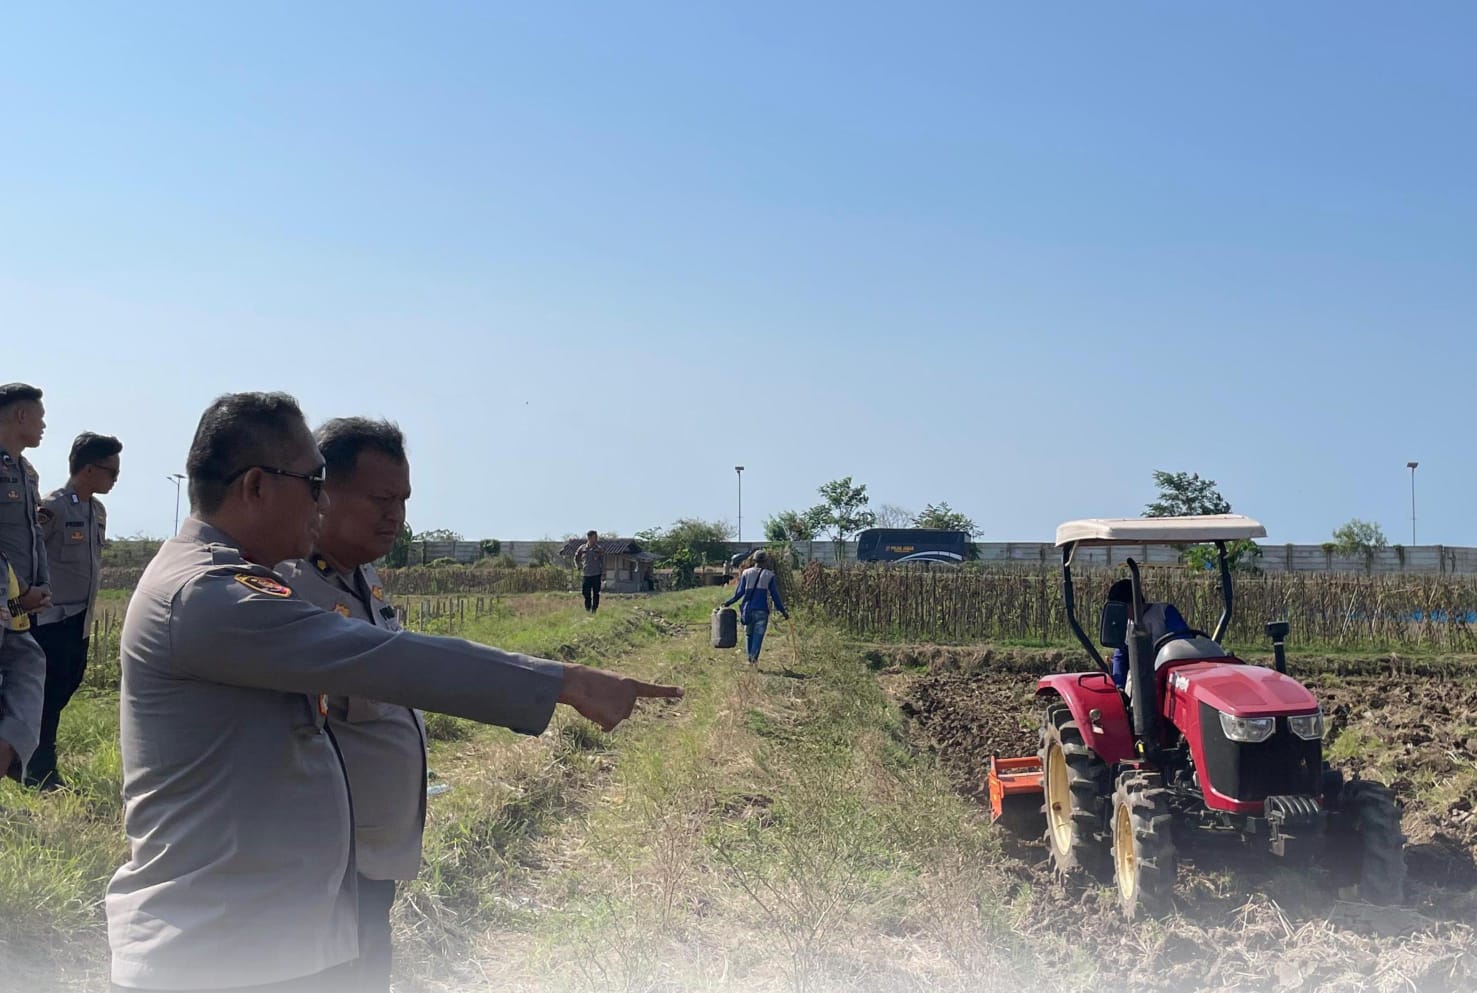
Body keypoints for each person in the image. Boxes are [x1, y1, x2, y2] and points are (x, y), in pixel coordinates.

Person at [106, 392, 682, 993]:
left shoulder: (235, 579)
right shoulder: (206, 594)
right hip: (216, 950)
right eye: (313, 482)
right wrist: (567, 681)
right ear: (255, 486)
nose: (321, 500)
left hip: (266, 933)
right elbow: (385, 660)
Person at [275, 417, 420, 993]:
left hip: (375, 844)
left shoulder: (362, 576)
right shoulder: (289, 587)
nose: (396, 515)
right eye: (381, 499)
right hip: (327, 852)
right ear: (322, 492)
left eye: (403, 500)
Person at [27, 431, 122, 790]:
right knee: (47, 696)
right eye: (110, 472)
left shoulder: (96, 511)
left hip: (80, 622)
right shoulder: (52, 507)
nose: (115, 479)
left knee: (65, 689)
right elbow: (31, 555)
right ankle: (40, 770)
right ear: (87, 469)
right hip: (51, 620)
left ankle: (35, 763)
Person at [0, 383, 51, 781]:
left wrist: (39, 587)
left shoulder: (26, 471)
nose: (44, 424)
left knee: (28, 667)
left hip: (18, 603)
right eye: (39, 416)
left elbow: (32, 535)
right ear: (20, 416)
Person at [1106, 577, 1189, 689]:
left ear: (1134, 602)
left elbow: (1183, 641)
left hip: (1168, 673)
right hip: (1141, 678)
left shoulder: (1164, 612)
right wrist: (1119, 686)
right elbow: (1121, 656)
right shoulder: (1126, 625)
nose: (1119, 614)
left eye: (1122, 608)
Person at [721, 550, 789, 665]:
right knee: (758, 636)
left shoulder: (746, 573)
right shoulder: (769, 575)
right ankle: (753, 660)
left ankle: (750, 659)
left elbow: (739, 593)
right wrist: (783, 611)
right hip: (762, 611)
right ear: (766, 561)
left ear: (754, 560)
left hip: (747, 610)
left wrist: (728, 603)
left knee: (749, 635)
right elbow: (775, 596)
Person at [575, 530, 604, 613]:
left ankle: (594, 609)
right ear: (589, 538)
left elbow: (603, 561)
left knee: (596, 593)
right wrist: (578, 566)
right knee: (585, 593)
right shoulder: (582, 548)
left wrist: (603, 572)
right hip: (586, 574)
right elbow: (576, 557)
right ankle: (588, 608)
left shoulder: (599, 549)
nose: (596, 539)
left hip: (596, 574)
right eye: (594, 537)